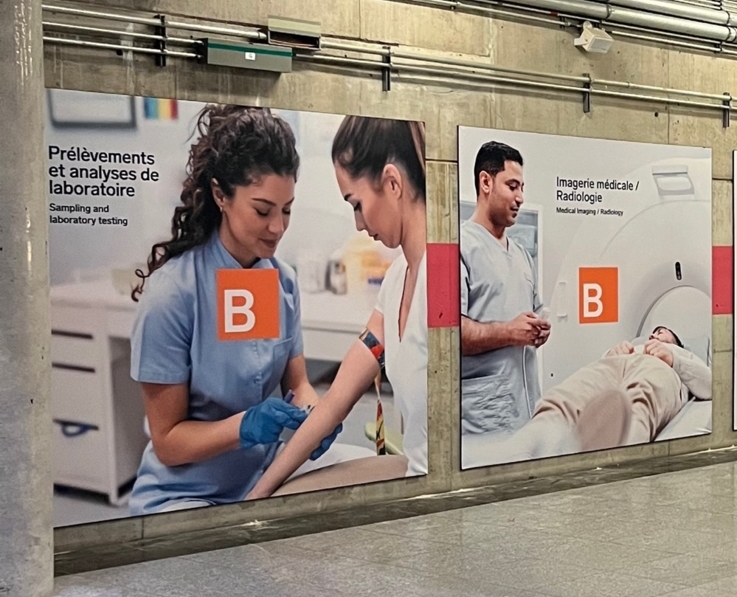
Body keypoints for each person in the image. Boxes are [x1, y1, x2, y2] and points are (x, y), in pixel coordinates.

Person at [127, 104, 330, 512]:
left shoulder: (283, 282)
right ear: (221, 195)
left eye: (286, 209)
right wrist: (245, 427)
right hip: (185, 495)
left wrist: (315, 414)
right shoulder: (173, 295)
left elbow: (299, 385)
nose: (277, 228)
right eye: (262, 210)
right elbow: (167, 443)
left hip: (265, 477)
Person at [245, 117, 429, 497]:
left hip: (453, 496)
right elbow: (333, 404)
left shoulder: (450, 278)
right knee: (283, 498)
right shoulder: (396, 283)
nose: (359, 224)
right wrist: (256, 497)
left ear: (393, 183)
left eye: (357, 204)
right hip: (418, 474)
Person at [459, 140, 549, 440]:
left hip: (525, 406)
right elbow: (448, 334)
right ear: (486, 182)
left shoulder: (522, 255)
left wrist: (541, 327)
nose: (520, 197)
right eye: (512, 186)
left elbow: (536, 309)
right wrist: (510, 332)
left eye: (522, 187)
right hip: (483, 416)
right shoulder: (458, 247)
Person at [509, 325, 711, 457]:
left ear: (676, 342)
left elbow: (710, 386)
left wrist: (674, 360)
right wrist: (611, 354)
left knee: (640, 400)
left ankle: (618, 462)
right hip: (616, 364)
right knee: (567, 395)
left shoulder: (682, 355)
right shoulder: (633, 345)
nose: (652, 335)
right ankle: (525, 449)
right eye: (652, 332)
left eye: (660, 332)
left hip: (659, 367)